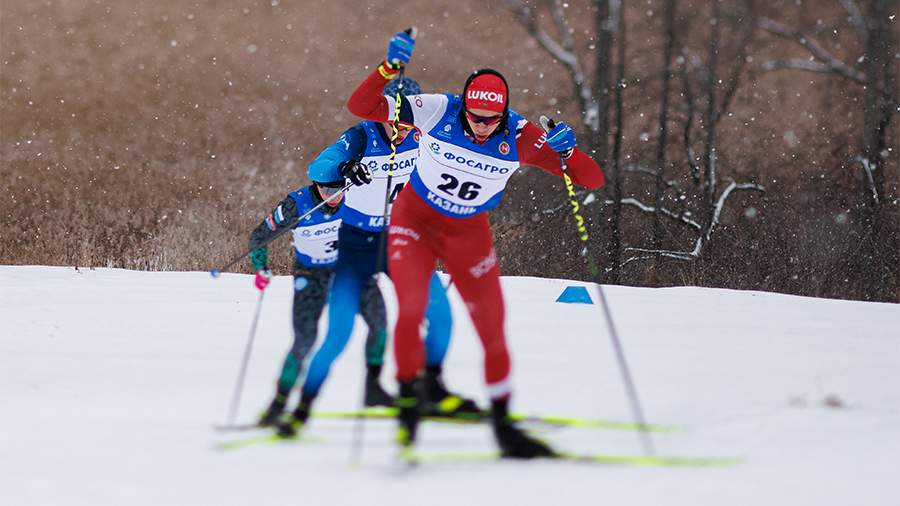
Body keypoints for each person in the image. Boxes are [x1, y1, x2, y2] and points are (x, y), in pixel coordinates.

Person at [346, 31, 606, 458]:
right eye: (475, 118)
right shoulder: (438, 110)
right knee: (411, 309)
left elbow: (591, 179)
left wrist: (569, 151)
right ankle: (409, 406)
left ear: (503, 113)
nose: (482, 127)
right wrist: (388, 69)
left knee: (492, 326)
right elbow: (361, 106)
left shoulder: (519, 135)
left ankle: (504, 427)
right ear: (464, 106)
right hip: (415, 223)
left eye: (491, 120)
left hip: (467, 232)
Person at [276, 78, 476, 438]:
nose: (402, 126)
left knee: (440, 317)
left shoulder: (425, 135)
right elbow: (319, 168)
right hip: (357, 244)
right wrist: (344, 169)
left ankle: (430, 391)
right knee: (339, 335)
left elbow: (474, 132)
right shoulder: (362, 136)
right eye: (395, 117)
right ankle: (301, 410)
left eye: (409, 117)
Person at [247, 173, 393, 427]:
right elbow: (259, 236)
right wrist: (261, 267)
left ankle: (374, 388)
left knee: (379, 324)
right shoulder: (296, 205)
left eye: (339, 190)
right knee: (305, 340)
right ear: (316, 185)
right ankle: (278, 404)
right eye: (327, 191)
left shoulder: (359, 196)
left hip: (350, 270)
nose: (334, 197)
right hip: (311, 275)